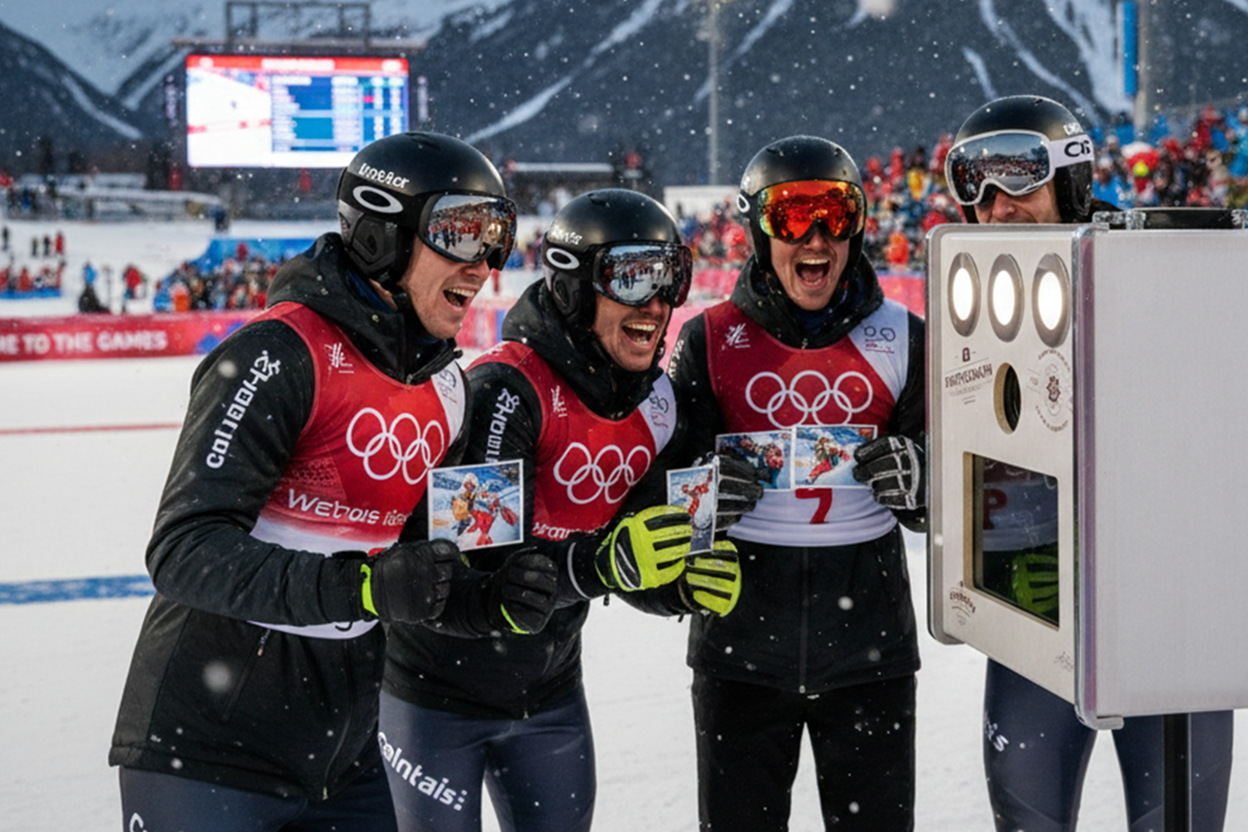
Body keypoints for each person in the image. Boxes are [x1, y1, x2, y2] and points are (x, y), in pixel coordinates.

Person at [108, 132, 560, 832]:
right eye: (463, 232)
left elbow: (421, 573)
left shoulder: (447, 388)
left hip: (342, 760)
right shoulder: (279, 354)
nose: (487, 262)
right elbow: (183, 551)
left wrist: (489, 599)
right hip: (204, 751)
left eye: (497, 236)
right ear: (383, 234)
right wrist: (362, 586)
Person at [379, 188, 760, 832]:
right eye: (632, 276)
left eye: (671, 276)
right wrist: (603, 564)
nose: (657, 301)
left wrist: (678, 584)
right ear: (574, 289)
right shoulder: (508, 388)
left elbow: (630, 559)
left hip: (551, 693)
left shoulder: (659, 406)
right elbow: (479, 569)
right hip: (435, 696)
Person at [945, 94, 1235, 832]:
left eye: (1018, 178)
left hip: (1165, 607)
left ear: (1070, 180)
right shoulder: (969, 294)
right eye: (973, 184)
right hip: (1032, 591)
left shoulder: (1165, 268)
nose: (995, 206)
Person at [666, 135, 927, 831]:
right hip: (741, 655)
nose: (816, 237)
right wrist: (700, 497)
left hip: (869, 653)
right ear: (758, 229)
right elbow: (658, 485)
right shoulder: (709, 338)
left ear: (858, 225)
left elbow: (954, 492)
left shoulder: (905, 334)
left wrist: (922, 481)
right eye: (791, 215)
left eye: (835, 214)